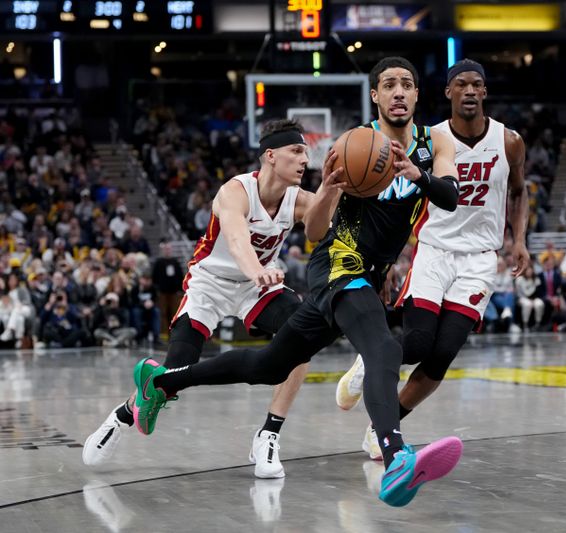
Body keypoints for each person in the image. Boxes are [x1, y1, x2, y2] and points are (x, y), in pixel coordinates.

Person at [126, 57, 463, 507]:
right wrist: (330, 191)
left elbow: (451, 197)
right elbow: (317, 231)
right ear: (375, 96)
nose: (398, 91)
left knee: (268, 366)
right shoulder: (353, 145)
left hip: (370, 272)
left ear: (418, 95)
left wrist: (416, 175)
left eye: (407, 83)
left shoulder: (435, 142)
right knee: (383, 348)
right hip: (338, 264)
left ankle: (163, 384)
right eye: (389, 85)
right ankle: (396, 456)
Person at [83, 119, 315, 480]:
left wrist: (335, 188)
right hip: (211, 282)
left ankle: (268, 433)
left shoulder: (299, 200)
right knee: (175, 369)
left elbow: (329, 222)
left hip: (257, 285)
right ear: (271, 155)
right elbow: (237, 239)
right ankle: (123, 415)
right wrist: (257, 270)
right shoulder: (235, 191)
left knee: (303, 334)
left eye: (306, 152)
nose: (305, 159)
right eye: (297, 151)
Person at [335, 59, 529, 458]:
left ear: (485, 92)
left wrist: (520, 239)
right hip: (435, 249)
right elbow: (393, 200)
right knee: (420, 342)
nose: (470, 91)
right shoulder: (431, 139)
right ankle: (371, 358)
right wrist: (385, 259)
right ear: (448, 93)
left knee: (441, 356)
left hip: (479, 259)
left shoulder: (509, 141)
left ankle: (382, 426)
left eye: (477, 84)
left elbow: (519, 191)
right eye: (462, 85)